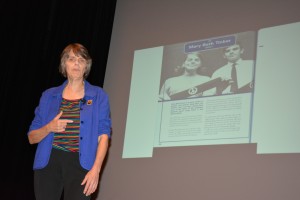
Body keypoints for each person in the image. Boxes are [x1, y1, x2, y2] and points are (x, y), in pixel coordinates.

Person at [27, 43, 111, 200]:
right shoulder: (48, 95)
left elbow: (104, 136)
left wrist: (96, 170)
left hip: (81, 164)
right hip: (49, 162)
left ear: (87, 66)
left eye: (81, 59)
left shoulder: (99, 95)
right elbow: (32, 137)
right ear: (64, 64)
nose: (77, 63)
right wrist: (49, 127)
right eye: (72, 59)